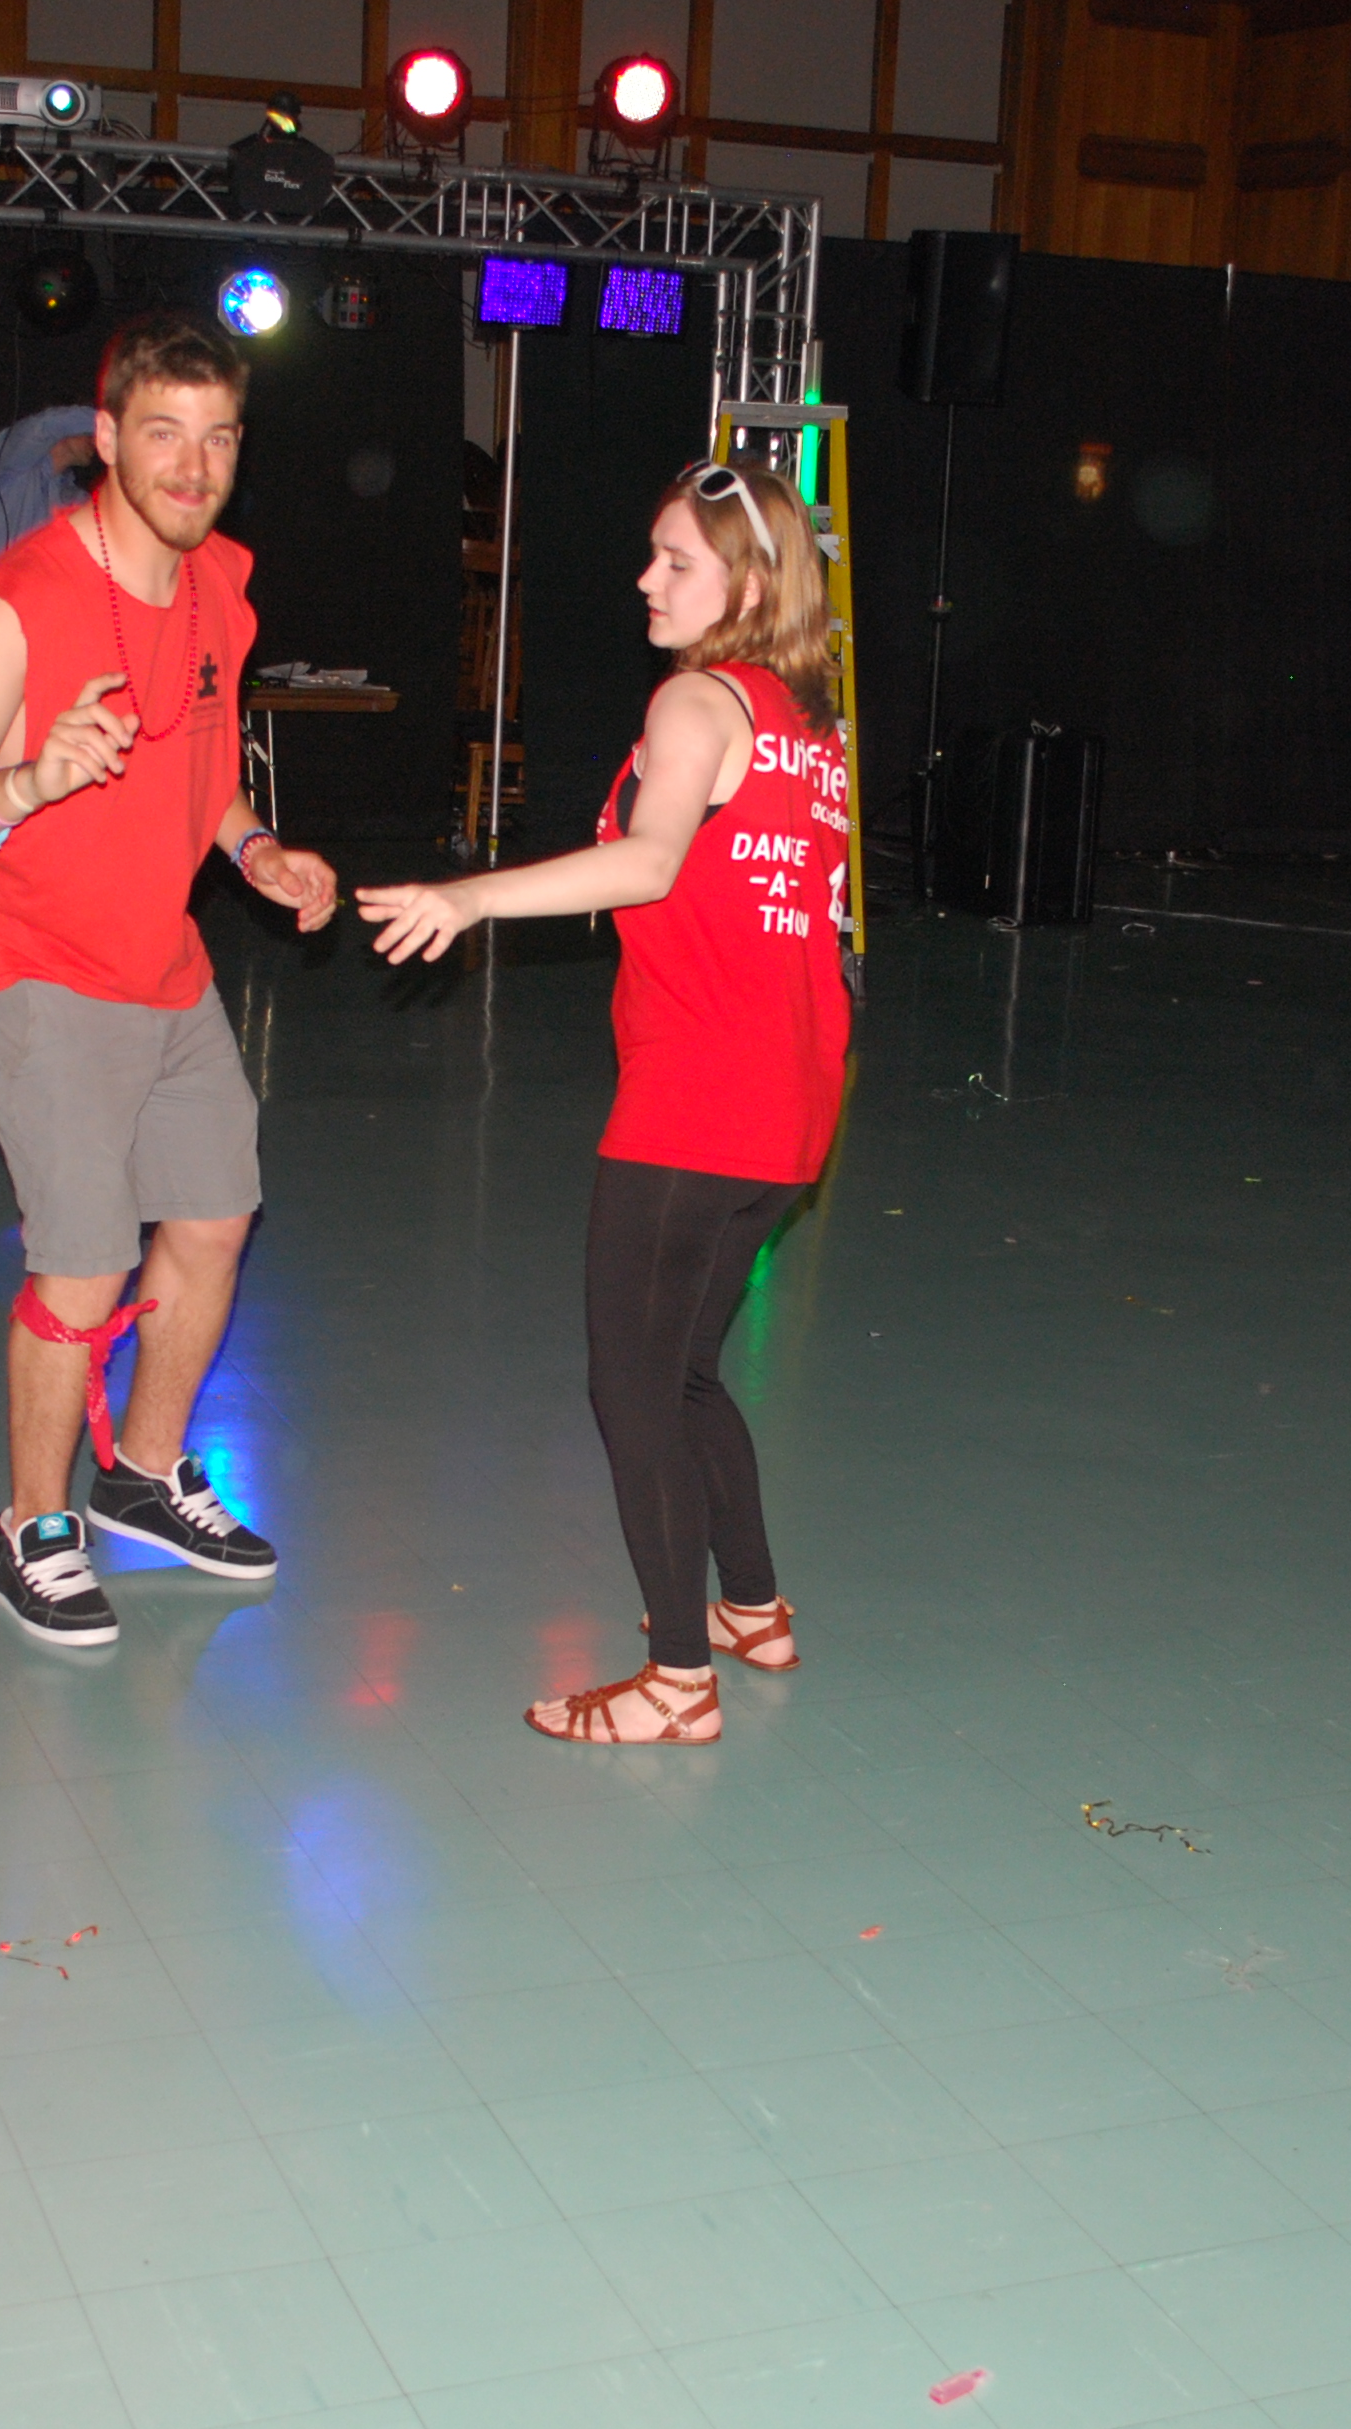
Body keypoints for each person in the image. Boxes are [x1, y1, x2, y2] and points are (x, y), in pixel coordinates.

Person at [358, 462, 852, 1745]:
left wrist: (468, 896)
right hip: (789, 1098)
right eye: (650, 554)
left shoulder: (694, 700)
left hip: (696, 1098)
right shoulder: (804, 722)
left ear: (747, 585)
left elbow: (647, 861)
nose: (646, 579)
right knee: (682, 1373)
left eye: (676, 561)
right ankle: (751, 1609)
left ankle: (677, 1684)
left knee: (632, 1390)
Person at [0, 315, 339, 1648]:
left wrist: (254, 850)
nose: (192, 468)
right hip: (33, 974)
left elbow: (201, 770)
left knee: (213, 1218)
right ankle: (32, 1526)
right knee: (83, 1270)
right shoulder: (20, 598)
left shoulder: (221, 587)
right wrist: (30, 780)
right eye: (163, 435)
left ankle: (142, 1477)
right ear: (105, 441)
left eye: (218, 439)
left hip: (162, 964)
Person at [0, 401, 100, 575]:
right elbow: (46, 425)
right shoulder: (9, 463)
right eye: (88, 430)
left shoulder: (75, 500)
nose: (95, 439)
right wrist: (114, 421)